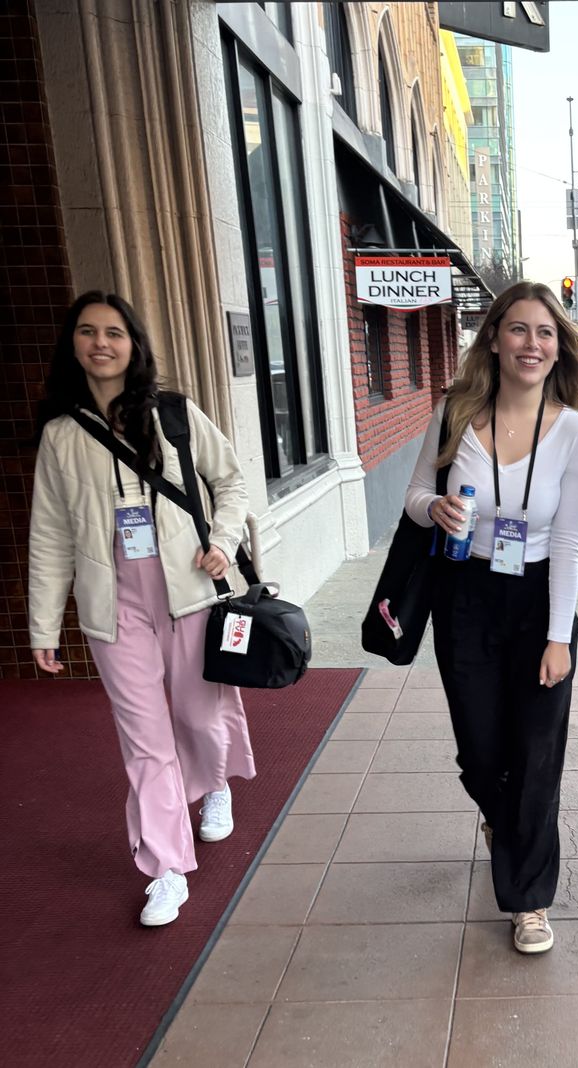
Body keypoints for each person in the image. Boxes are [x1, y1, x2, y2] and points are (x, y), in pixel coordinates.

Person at [28, 292, 254, 927]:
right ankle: (166, 867)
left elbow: (232, 481)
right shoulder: (61, 436)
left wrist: (222, 540)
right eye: (87, 332)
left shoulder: (172, 415)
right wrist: (44, 623)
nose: (101, 343)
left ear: (134, 345)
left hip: (188, 585)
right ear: (73, 345)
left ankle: (214, 784)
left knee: (198, 713)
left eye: (114, 333)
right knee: (145, 739)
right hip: (111, 603)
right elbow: (49, 534)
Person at [405, 281, 578, 955]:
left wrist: (558, 637)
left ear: (559, 347)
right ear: (493, 337)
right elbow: (413, 495)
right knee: (482, 750)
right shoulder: (456, 412)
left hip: (541, 596)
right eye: (518, 330)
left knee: (538, 755)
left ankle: (528, 899)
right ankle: (502, 818)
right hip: (466, 594)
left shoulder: (576, 432)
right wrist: (434, 510)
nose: (532, 344)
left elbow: (571, 541)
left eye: (545, 333)